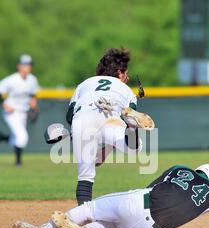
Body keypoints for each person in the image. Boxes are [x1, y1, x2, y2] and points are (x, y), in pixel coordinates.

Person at [15, 163, 209, 228]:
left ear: (200, 171)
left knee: (91, 208)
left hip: (140, 202)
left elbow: (152, 188)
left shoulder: (180, 169)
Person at [63, 47, 154, 205]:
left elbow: (70, 116)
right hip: (111, 118)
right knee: (134, 147)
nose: (127, 77)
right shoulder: (126, 89)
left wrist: (78, 137)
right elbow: (128, 113)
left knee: (85, 176)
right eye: (125, 73)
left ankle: (82, 217)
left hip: (83, 118)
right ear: (119, 72)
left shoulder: (83, 84)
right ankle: (132, 128)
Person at [0, 54, 40, 166]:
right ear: (18, 66)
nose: (27, 67)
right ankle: (18, 162)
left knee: (17, 139)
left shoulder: (32, 80)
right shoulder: (12, 79)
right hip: (11, 112)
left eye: (29, 65)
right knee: (22, 137)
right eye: (25, 64)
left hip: (23, 112)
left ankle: (2, 137)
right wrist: (4, 105)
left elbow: (33, 95)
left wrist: (34, 107)